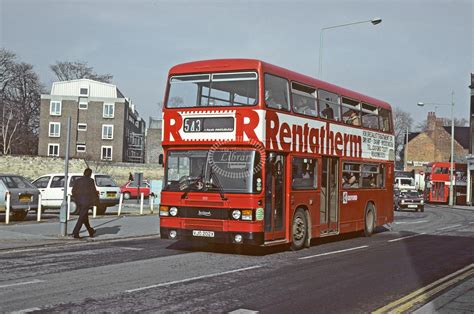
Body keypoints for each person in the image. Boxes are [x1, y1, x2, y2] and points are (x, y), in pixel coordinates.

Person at [72, 168, 98, 239]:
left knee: (84, 217)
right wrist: (94, 201)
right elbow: (93, 191)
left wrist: (77, 199)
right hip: (86, 202)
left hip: (79, 202)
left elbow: (73, 191)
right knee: (82, 217)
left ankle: (90, 231)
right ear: (90, 174)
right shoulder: (90, 181)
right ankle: (75, 232)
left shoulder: (78, 181)